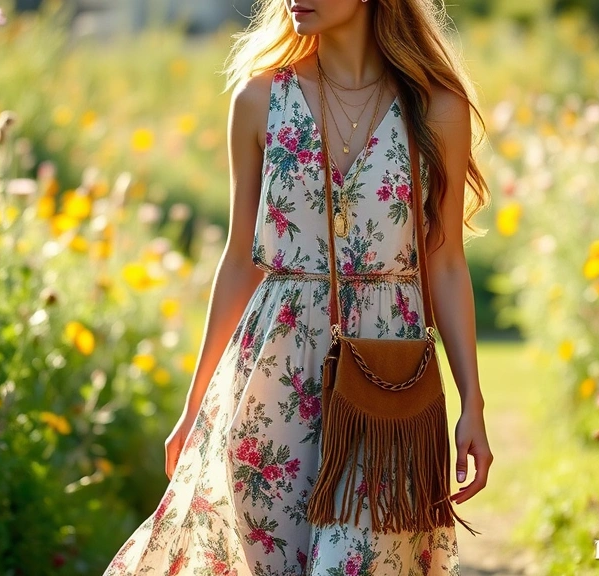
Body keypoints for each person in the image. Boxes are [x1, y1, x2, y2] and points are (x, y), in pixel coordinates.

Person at [105, 0, 493, 573]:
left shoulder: (436, 106)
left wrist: (472, 402)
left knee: (359, 560)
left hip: (386, 373)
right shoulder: (259, 100)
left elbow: (446, 263)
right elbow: (241, 258)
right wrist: (194, 406)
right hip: (272, 378)